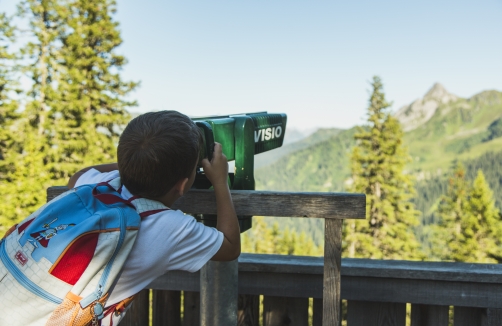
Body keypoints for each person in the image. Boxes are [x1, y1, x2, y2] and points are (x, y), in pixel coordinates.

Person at [68, 110, 240, 324]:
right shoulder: (169, 226)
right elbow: (231, 247)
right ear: (183, 185)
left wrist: (135, 166)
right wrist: (220, 182)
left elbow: (78, 175)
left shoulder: (99, 184)